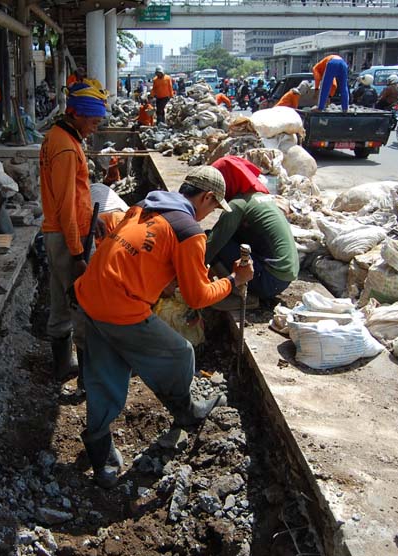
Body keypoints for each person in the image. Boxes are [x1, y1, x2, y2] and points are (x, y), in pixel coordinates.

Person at [73, 166, 254, 487]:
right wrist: (232, 280)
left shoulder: (144, 206)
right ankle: (186, 413)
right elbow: (198, 297)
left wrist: (165, 279)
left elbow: (139, 253)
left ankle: (101, 462)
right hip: (120, 307)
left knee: (104, 379)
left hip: (90, 296)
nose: (210, 215)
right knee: (180, 353)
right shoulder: (189, 230)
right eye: (213, 207)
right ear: (207, 197)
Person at [39, 79, 108, 381]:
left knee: (60, 299)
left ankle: (62, 366)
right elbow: (66, 204)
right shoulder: (67, 148)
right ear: (77, 114)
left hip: (62, 232)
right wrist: (78, 252)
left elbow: (72, 197)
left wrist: (93, 220)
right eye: (94, 121)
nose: (96, 127)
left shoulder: (60, 135)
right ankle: (87, 376)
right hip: (70, 237)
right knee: (83, 305)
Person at [207, 156, 299, 307]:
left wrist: (185, 279)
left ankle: (240, 295)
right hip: (284, 278)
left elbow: (212, 244)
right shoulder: (259, 198)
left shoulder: (237, 205)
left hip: (268, 279)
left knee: (208, 238)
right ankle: (239, 287)